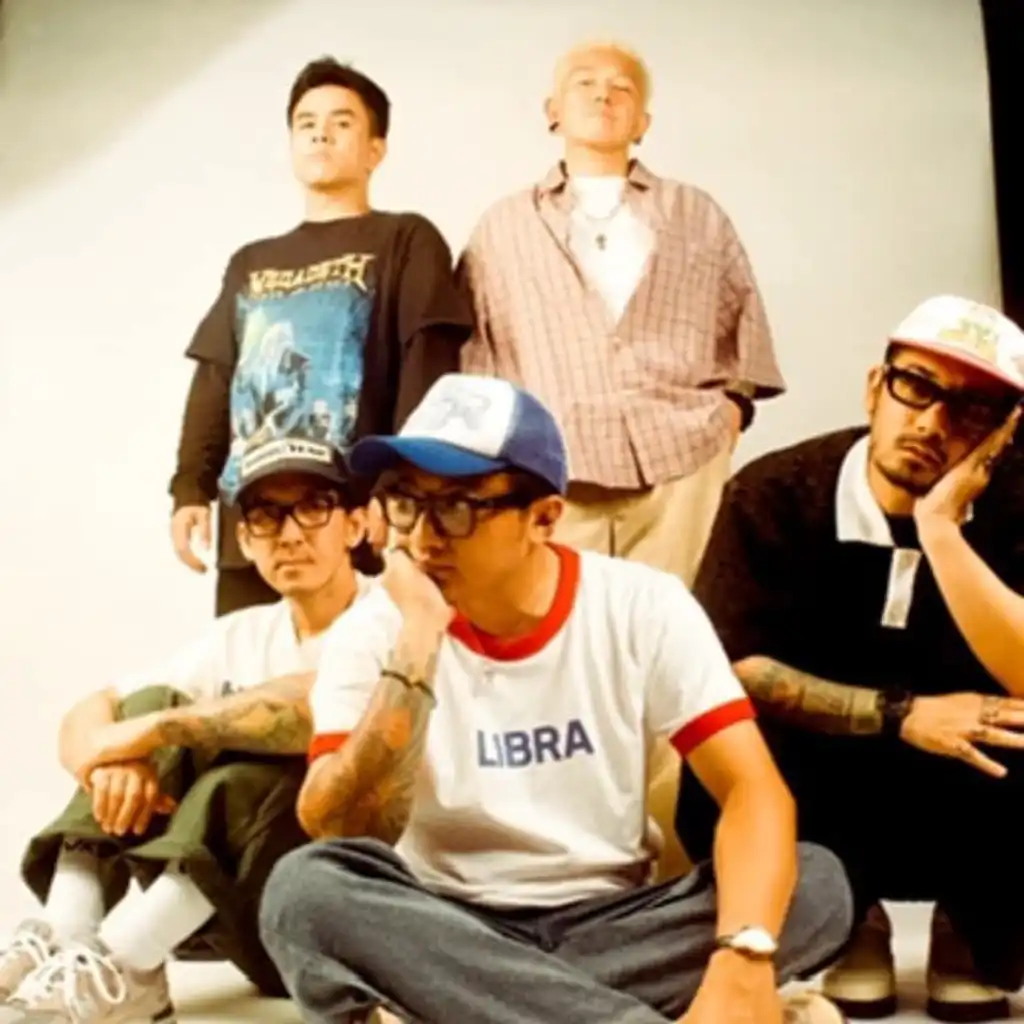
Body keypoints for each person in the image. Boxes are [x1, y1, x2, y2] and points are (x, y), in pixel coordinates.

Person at [257, 372, 852, 1024]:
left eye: (456, 507)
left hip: (611, 922)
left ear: (544, 518)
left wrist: (742, 960)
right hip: (444, 920)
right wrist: (418, 643)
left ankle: (463, 1007)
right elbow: (337, 828)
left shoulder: (640, 606)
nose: (422, 537)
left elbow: (752, 791)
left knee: (815, 883)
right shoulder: (375, 629)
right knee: (303, 893)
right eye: (404, 501)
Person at [679, 295, 1024, 1022]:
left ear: (1004, 433)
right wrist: (901, 716)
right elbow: (729, 666)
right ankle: (846, 920)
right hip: (827, 768)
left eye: (971, 410)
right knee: (735, 738)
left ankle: (973, 928)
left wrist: (941, 529)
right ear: (875, 387)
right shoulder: (777, 492)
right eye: (916, 387)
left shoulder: (1019, 506)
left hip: (969, 775)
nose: (931, 423)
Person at [0, 434, 373, 1022]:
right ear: (245, 540)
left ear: (356, 526)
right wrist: (116, 759)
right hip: (240, 917)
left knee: (258, 761)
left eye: (314, 507)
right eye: (267, 515)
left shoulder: (390, 619)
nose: (290, 533)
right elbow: (91, 712)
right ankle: (71, 934)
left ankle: (125, 958)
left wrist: (158, 731)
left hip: (332, 924)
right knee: (146, 705)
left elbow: (319, 705)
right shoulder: (241, 635)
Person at [458, 38, 785, 588]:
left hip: (682, 462)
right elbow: (476, 352)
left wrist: (734, 410)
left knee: (670, 620)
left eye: (622, 88)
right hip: (551, 468)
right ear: (553, 111)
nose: (603, 95)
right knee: (557, 621)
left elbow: (743, 320)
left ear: (643, 122)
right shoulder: (503, 225)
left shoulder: (695, 212)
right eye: (585, 83)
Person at [169, 56, 473, 617]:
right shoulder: (251, 262)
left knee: (365, 669)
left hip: (356, 521)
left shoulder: (406, 239)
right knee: (254, 670)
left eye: (341, 122)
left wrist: (395, 491)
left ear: (375, 149)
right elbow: (216, 376)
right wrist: (191, 488)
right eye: (306, 123)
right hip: (257, 526)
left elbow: (429, 371)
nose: (320, 133)